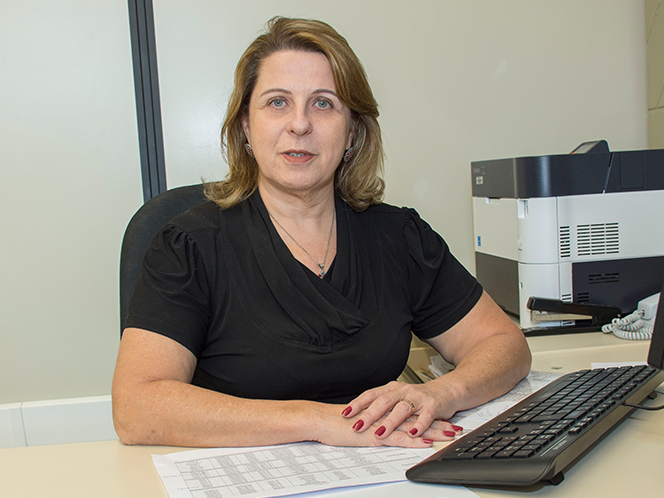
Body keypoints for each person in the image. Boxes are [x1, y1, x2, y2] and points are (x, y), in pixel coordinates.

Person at [112, 16, 531, 449]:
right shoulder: (190, 247)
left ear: (352, 131)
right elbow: (136, 407)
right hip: (240, 487)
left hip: (383, 475)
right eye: (277, 102)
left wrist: (442, 393)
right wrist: (319, 421)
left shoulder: (399, 237)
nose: (299, 124)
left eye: (323, 103)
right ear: (245, 127)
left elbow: (504, 343)